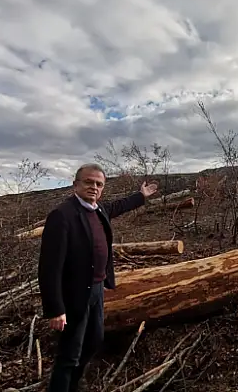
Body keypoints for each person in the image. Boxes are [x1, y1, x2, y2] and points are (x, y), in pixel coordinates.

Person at [37, 163, 158, 392]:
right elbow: (49, 267)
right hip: (73, 294)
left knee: (93, 341)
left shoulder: (98, 209)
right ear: (76, 184)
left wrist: (140, 196)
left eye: (99, 184)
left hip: (96, 290)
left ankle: (74, 384)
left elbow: (117, 206)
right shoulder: (62, 215)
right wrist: (55, 309)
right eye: (88, 182)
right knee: (70, 352)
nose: (94, 187)